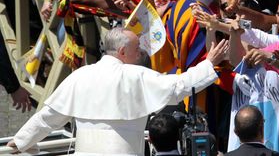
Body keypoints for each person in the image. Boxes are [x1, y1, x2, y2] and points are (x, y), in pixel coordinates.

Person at [6, 27, 228, 155]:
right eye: (137, 49)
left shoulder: (80, 76)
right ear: (122, 51)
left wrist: (21, 140)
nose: (141, 54)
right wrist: (208, 63)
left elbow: (48, 118)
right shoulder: (135, 75)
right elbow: (179, 86)